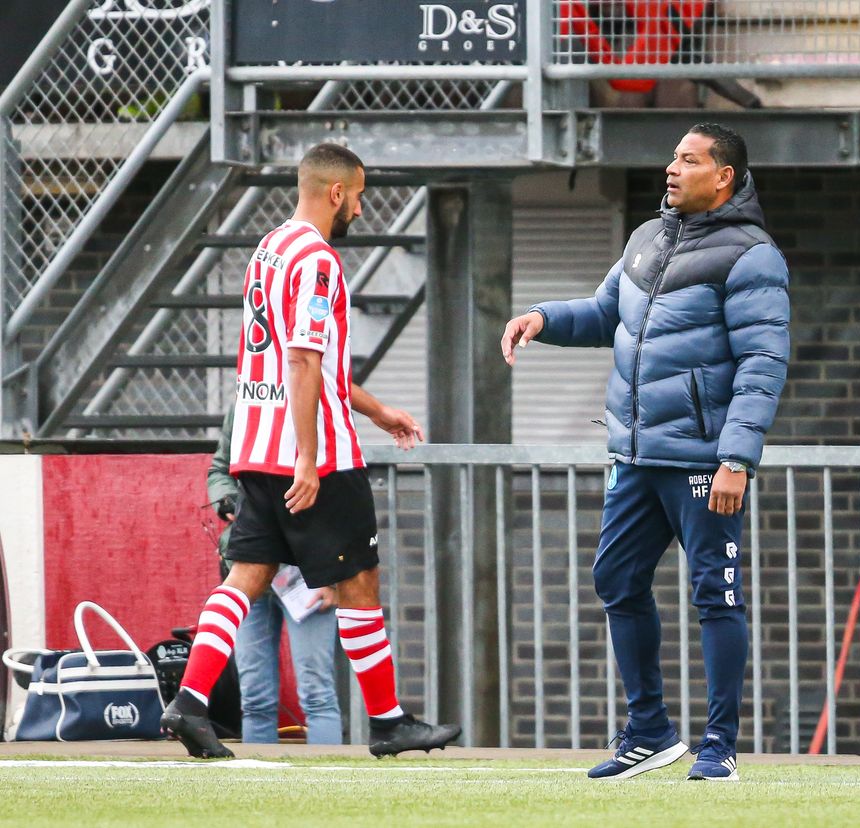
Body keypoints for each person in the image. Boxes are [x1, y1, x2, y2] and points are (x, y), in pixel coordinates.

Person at [501, 123, 790, 781]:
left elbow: (763, 362)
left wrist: (736, 458)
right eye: (672, 157)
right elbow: (609, 315)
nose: (671, 168)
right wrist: (543, 319)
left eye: (688, 160)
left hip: (702, 461)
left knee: (715, 595)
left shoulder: (753, 255)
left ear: (724, 177)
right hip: (637, 456)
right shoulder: (646, 238)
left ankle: (719, 746)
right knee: (616, 579)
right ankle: (650, 731)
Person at [161, 142, 461, 759]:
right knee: (359, 580)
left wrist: (378, 411)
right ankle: (387, 722)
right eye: (359, 195)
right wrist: (307, 455)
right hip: (315, 457)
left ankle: (189, 704)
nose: (360, 207)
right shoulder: (319, 260)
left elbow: (298, 361)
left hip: (254, 448)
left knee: (244, 578)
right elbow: (302, 360)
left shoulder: (268, 248)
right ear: (335, 193)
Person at [207, 406, 342, 745]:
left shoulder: (319, 401)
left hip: (306, 571)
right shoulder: (245, 404)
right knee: (254, 699)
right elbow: (220, 469)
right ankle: (257, 787)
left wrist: (333, 573)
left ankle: (329, 789)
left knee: (316, 693)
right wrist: (230, 501)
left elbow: (341, 491)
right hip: (247, 565)